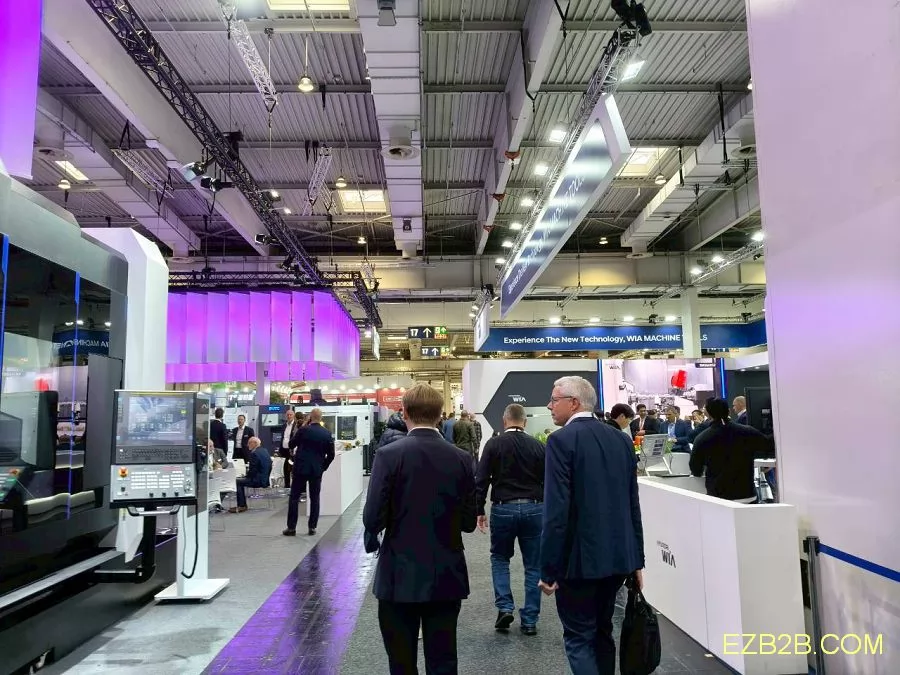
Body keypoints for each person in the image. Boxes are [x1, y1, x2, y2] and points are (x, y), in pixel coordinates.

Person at [363, 384, 476, 675]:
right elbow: (468, 523)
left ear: (404, 413)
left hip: (398, 574)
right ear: (440, 414)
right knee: (443, 661)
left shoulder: (388, 455)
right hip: (446, 573)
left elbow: (372, 518)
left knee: (401, 662)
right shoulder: (462, 458)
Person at [540, 376, 644, 675]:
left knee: (578, 637)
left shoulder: (561, 441)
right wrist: (637, 559)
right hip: (618, 559)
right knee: (603, 632)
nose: (549, 405)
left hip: (579, 564)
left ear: (573, 403)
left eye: (554, 399)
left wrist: (548, 569)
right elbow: (632, 503)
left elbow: (556, 512)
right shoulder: (620, 439)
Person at [475, 404, 545, 635]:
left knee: (500, 558)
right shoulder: (538, 446)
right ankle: (530, 620)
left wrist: (479, 509)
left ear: (505, 421)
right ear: (525, 422)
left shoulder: (493, 444)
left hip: (503, 508)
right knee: (533, 565)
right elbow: (548, 480)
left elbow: (481, 478)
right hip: (534, 507)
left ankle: (505, 607)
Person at [690, 398, 772, 502]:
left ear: (709, 414)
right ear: (728, 411)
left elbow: (695, 469)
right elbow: (768, 445)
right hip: (747, 495)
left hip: (719, 498)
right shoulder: (747, 431)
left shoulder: (701, 438)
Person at [283, 408, 335, 536]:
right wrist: (323, 467)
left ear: (310, 417)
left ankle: (291, 528)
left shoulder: (303, 430)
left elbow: (291, 444)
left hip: (300, 468)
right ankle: (312, 527)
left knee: (294, 497)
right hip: (316, 470)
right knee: (315, 498)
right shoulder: (326, 433)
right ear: (321, 418)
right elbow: (331, 455)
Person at [229, 437, 272, 513]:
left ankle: (242, 506)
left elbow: (253, 471)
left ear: (255, 443)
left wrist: (246, 477)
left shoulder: (254, 454)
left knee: (237, 482)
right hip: (265, 480)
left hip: (257, 480)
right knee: (241, 480)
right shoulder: (265, 451)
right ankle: (242, 505)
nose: (247, 445)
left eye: (249, 443)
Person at [278, 408, 299, 489]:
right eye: (288, 415)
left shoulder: (296, 425)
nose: (289, 416)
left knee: (293, 468)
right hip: (284, 450)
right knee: (285, 468)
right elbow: (283, 437)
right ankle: (287, 485)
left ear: (293, 416)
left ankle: (294, 486)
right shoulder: (284, 425)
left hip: (292, 450)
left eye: (290, 415)